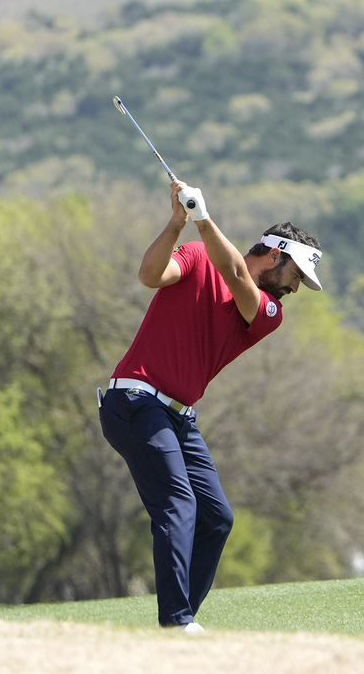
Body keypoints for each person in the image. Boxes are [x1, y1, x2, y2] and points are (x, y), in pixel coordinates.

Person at [98, 178, 322, 631]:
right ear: (275, 256)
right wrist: (177, 223)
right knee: (178, 503)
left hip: (177, 417)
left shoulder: (268, 311)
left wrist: (202, 217)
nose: (296, 288)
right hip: (135, 400)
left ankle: (181, 622)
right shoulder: (198, 256)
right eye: (296, 275)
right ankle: (177, 622)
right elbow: (150, 276)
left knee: (216, 518)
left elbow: (236, 274)